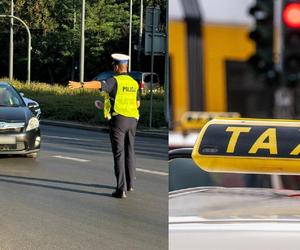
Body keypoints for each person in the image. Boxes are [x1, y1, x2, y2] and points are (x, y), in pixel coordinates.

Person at [68, 53, 140, 199]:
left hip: (119, 120)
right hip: (133, 120)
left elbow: (99, 85)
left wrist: (80, 85)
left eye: (114, 66)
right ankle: (130, 184)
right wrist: (104, 106)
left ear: (117, 67)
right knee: (130, 151)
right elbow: (138, 104)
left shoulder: (115, 80)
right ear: (126, 66)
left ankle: (121, 189)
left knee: (119, 154)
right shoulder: (134, 82)